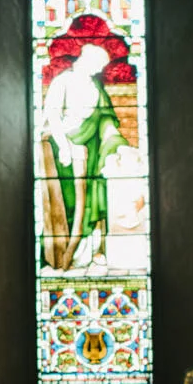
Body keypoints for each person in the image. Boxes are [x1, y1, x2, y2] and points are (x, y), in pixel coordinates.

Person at [39, 42, 127, 272]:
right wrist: (65, 147)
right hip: (63, 152)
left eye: (101, 66)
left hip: (91, 150)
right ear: (85, 60)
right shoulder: (63, 81)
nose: (98, 70)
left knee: (89, 203)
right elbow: (53, 117)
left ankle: (83, 256)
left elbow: (106, 119)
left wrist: (117, 144)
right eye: (97, 65)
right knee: (68, 202)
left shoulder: (96, 87)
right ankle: (62, 257)